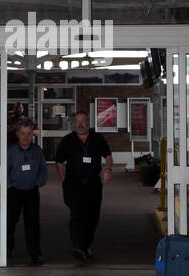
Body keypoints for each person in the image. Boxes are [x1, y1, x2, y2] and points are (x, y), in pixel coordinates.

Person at [54, 110, 113, 261]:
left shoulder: (97, 138)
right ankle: (77, 247)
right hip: (74, 184)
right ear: (74, 124)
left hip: (93, 184)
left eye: (83, 121)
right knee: (77, 215)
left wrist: (108, 169)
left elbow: (107, 155)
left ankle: (85, 246)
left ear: (89, 122)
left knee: (92, 217)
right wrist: (63, 179)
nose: (80, 124)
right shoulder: (68, 140)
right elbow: (59, 161)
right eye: (77, 121)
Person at [6, 118, 47, 265]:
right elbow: (5, 171)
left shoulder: (37, 151)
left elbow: (43, 170)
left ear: (32, 135)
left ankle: (35, 254)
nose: (26, 137)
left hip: (31, 192)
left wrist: (39, 182)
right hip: (14, 192)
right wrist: (10, 185)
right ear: (17, 134)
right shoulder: (10, 152)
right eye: (23, 133)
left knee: (32, 224)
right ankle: (7, 249)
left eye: (29, 134)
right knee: (10, 222)